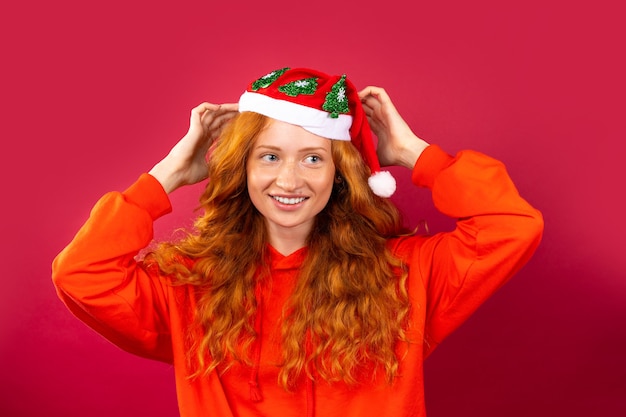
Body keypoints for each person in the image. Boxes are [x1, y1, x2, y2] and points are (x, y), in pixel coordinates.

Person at [52, 67, 543, 417]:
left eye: (312, 158)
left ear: (340, 172)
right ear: (242, 167)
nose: (289, 179)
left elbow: (510, 226)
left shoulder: (406, 275)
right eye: (269, 157)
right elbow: (81, 274)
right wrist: (167, 176)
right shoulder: (190, 286)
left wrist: (415, 153)